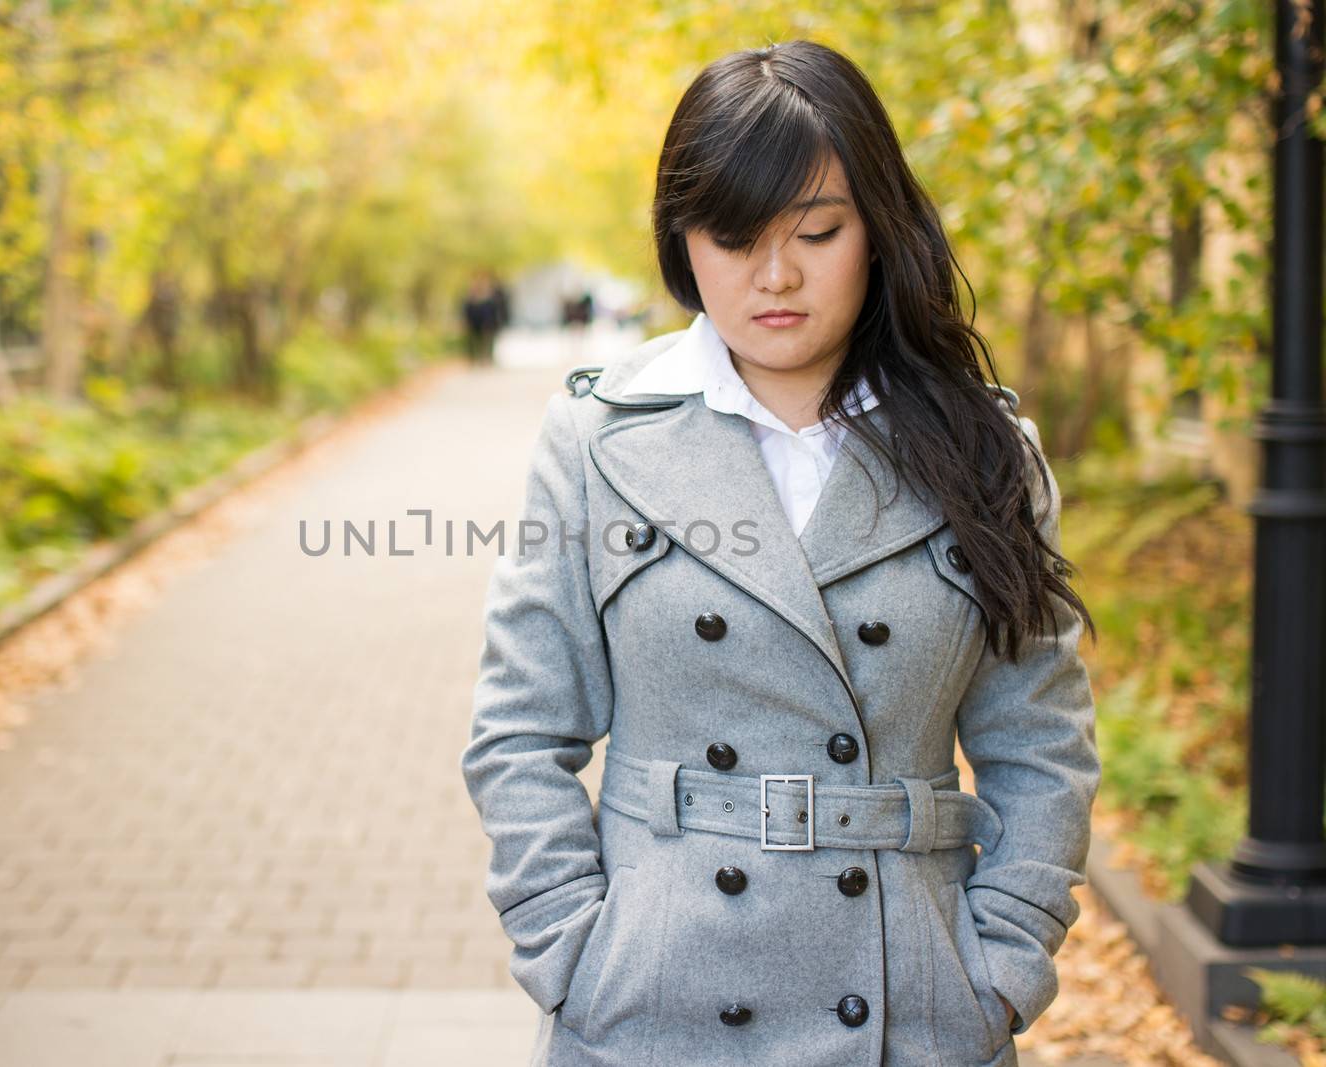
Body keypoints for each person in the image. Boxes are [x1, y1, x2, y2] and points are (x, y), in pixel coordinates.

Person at [459, 39, 1099, 1067]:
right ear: (682, 242)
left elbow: (1042, 743)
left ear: (878, 230)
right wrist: (571, 949)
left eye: (818, 230)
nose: (774, 275)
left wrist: (1001, 963)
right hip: (651, 1004)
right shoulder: (599, 440)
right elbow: (519, 733)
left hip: (911, 1012)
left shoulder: (982, 451)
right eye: (732, 234)